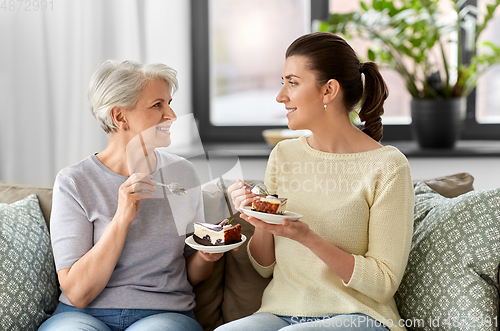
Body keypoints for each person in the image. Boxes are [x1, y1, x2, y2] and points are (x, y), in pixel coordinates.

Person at [218, 32, 414, 331]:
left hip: (359, 316)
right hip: (281, 313)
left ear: (328, 91)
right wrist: (257, 218)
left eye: (292, 83)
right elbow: (264, 265)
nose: (280, 96)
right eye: (282, 82)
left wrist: (307, 237)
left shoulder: (387, 166)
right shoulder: (284, 154)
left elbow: (383, 283)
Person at [39, 60, 223, 331]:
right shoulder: (74, 182)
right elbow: (78, 293)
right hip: (82, 316)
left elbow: (191, 274)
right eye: (157, 105)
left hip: (163, 315)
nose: (171, 115)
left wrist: (206, 257)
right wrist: (122, 217)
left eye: (169, 103)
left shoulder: (182, 173)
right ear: (120, 117)